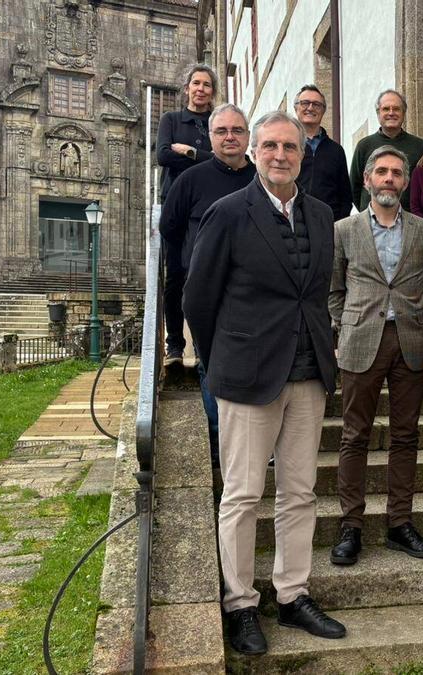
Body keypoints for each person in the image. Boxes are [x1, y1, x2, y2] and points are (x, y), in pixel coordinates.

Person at [183, 111, 345, 656]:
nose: (281, 155)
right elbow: (198, 299)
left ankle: (292, 593)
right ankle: (240, 603)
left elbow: (317, 294)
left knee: (299, 492)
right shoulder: (227, 213)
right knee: (244, 494)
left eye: (291, 147)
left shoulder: (323, 216)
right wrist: (218, 359)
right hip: (247, 376)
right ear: (254, 152)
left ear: (303, 154)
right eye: (270, 146)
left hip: (308, 374)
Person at [327, 146, 423, 566]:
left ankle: (399, 524)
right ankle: (350, 525)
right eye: (382, 172)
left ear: (405, 181)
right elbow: (333, 289)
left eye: (396, 172)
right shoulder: (344, 230)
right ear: (368, 179)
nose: (389, 178)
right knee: (354, 435)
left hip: (410, 341)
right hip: (361, 340)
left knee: (406, 436)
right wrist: (347, 324)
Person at [160, 103, 255, 468]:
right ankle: (220, 445)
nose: (230, 137)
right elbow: (170, 229)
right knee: (211, 366)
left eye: (237, 131)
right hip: (207, 294)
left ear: (247, 136)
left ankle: (257, 445)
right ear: (211, 137)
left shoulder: (260, 179)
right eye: (222, 131)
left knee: (254, 366)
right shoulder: (191, 180)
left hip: (253, 293)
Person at [157, 64, 217, 365]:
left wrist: (191, 154)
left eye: (207, 85)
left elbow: (226, 158)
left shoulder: (217, 122)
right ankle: (176, 345)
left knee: (207, 273)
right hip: (177, 205)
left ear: (212, 91)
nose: (201, 89)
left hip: (209, 206)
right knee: (176, 276)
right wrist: (205, 161)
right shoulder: (171, 119)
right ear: (187, 89)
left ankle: (207, 342)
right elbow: (163, 155)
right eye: (196, 83)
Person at [349, 90, 423, 212]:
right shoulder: (364, 146)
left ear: (403, 113)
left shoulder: (419, 146)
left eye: (396, 109)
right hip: (371, 222)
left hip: (409, 219)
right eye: (385, 109)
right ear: (378, 113)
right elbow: (354, 186)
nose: (391, 113)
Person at [294, 84, 353, 220]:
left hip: (328, 224)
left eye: (316, 104)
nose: (310, 108)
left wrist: (337, 223)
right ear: (296, 108)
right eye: (305, 103)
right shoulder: (287, 147)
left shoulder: (336, 150)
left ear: (323, 110)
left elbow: (345, 195)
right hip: (295, 223)